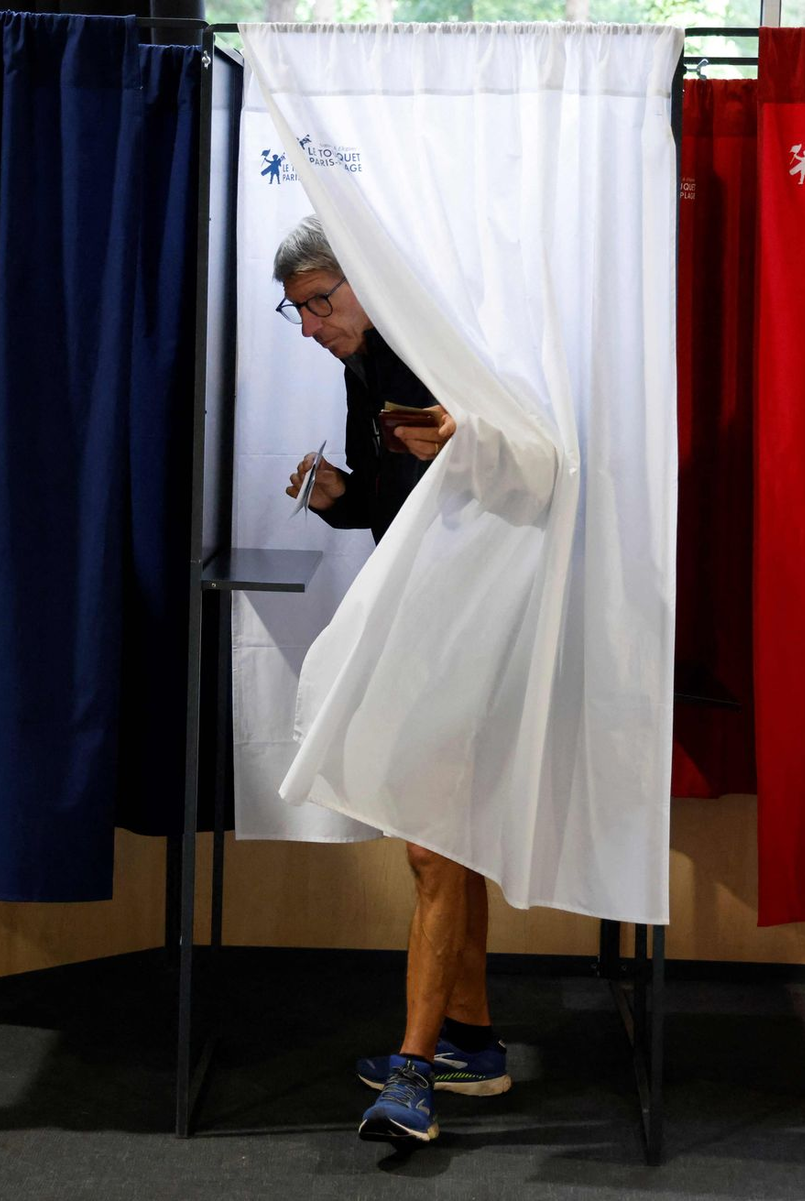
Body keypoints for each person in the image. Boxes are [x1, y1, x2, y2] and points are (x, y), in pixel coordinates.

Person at [275, 215, 512, 1145]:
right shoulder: (363, 367)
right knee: (445, 838)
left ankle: (415, 1069)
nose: (310, 326)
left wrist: (470, 439)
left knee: (429, 847)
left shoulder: (443, 347)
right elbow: (390, 498)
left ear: (366, 281)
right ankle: (473, 1044)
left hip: (468, 617)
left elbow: (540, 459)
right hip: (419, 613)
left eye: (319, 303)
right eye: (298, 311)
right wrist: (341, 495)